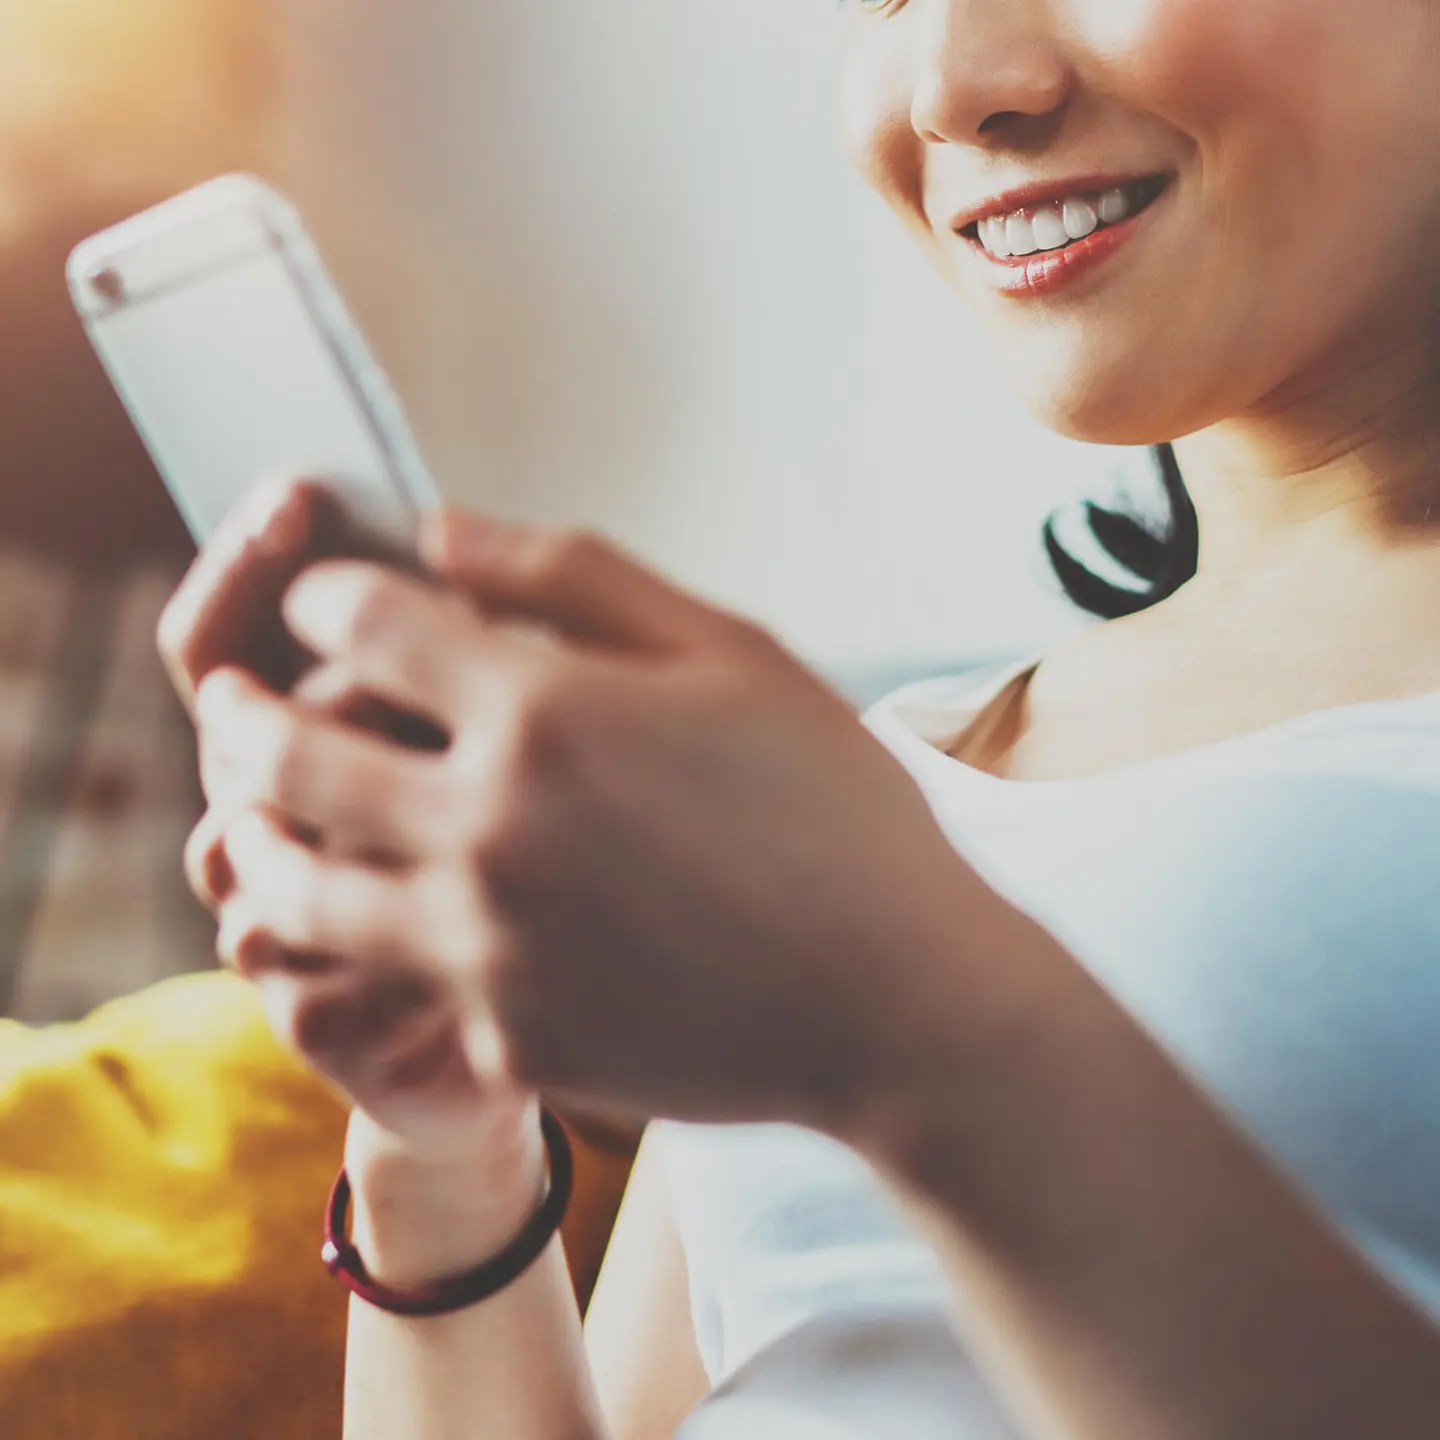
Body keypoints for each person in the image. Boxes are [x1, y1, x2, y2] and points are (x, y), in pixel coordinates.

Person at [158, 0, 1440, 1435]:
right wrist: (442, 1154)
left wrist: (912, 1013)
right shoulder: (897, 769)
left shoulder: (846, 868)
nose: (954, 83)